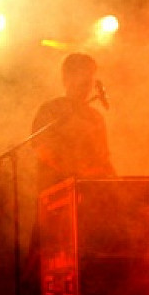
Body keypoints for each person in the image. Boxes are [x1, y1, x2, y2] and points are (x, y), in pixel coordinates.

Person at [30, 52, 115, 191]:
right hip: (58, 191)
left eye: (90, 76)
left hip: (92, 191)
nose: (88, 82)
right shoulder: (51, 109)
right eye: (83, 75)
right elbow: (43, 150)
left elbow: (104, 158)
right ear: (66, 79)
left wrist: (118, 184)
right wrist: (77, 174)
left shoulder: (95, 117)